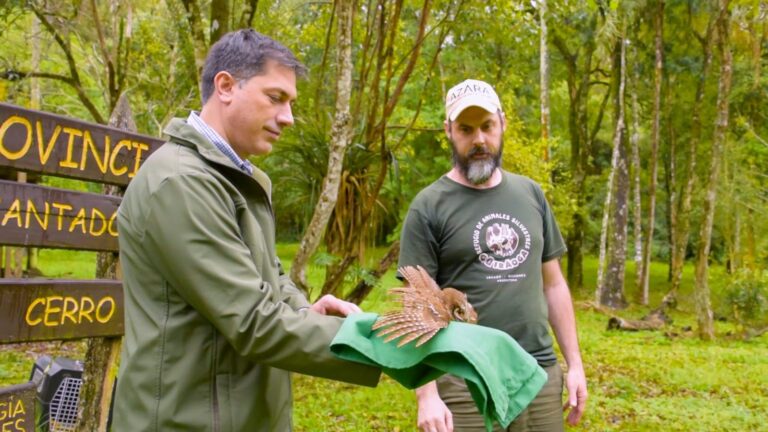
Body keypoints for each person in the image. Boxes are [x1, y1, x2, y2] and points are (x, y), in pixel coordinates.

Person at [112, 29, 381, 431]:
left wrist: (304, 310)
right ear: (225, 86)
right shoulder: (182, 183)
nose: (288, 117)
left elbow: (269, 274)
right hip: (187, 420)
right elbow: (253, 321)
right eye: (275, 97)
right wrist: (383, 345)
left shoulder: (238, 179)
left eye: (290, 103)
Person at [398, 79, 587, 432]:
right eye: (466, 129)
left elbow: (554, 285)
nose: (479, 140)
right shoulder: (429, 206)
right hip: (464, 377)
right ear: (448, 131)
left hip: (537, 373)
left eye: (487, 126)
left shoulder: (531, 194)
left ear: (503, 123)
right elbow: (416, 306)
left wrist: (574, 364)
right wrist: (427, 394)